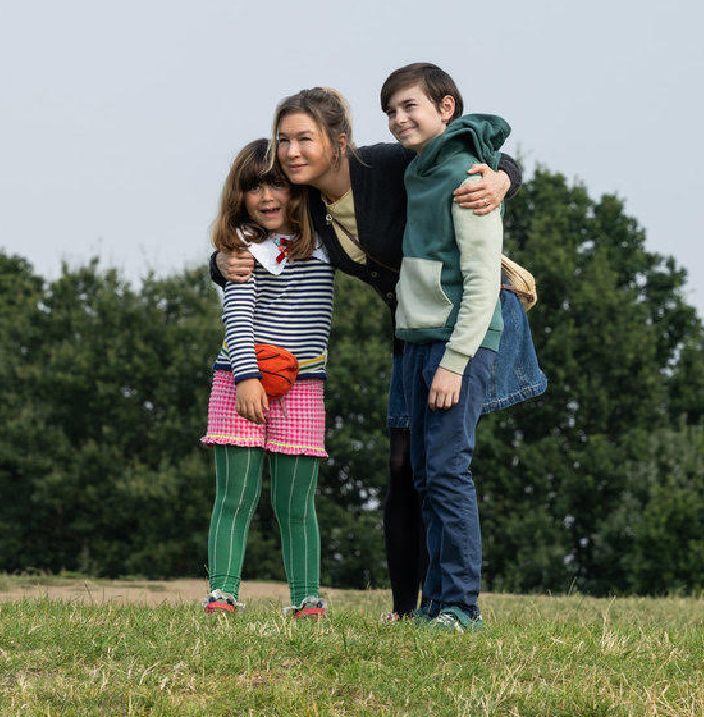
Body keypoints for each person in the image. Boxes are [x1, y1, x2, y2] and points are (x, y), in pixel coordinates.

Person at [212, 86, 546, 621]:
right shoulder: (306, 204)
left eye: (305, 139)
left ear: (338, 141)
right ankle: (405, 609)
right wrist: (219, 264)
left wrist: (503, 178)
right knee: (403, 467)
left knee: (443, 463)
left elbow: (474, 152)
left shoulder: (385, 164)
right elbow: (257, 243)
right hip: (412, 327)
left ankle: (455, 605)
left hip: (465, 317)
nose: (292, 152)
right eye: (284, 141)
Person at [383, 62, 508, 631]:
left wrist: (455, 363)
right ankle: (434, 605)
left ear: (446, 108)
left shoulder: (466, 174)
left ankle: (461, 607)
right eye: (391, 110)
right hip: (417, 340)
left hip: (456, 344)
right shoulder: (418, 171)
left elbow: (482, 284)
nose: (398, 118)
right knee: (425, 476)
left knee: (449, 472)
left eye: (410, 106)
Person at [200, 138, 335, 619]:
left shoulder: (327, 236)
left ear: (297, 187)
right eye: (253, 187)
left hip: (304, 386)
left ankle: (306, 600)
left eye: (276, 182)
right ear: (240, 196)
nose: (266, 196)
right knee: (235, 497)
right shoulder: (242, 246)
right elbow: (237, 316)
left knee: (296, 504)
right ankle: (222, 595)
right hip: (241, 380)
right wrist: (246, 377)